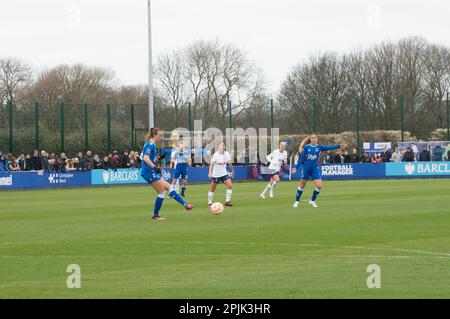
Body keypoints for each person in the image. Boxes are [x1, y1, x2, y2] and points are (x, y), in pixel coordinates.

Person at [140, 128, 193, 221]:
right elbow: (145, 158)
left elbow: (149, 158)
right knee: (162, 192)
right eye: (160, 135)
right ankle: (155, 215)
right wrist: (155, 167)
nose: (162, 137)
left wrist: (158, 159)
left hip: (150, 171)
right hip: (148, 172)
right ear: (154, 135)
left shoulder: (151, 144)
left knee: (170, 187)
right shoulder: (150, 145)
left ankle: (185, 205)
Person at [291, 134, 347, 208]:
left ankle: (312, 201)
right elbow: (301, 159)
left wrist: (338, 146)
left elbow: (328, 147)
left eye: (315, 138)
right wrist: (296, 167)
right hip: (306, 169)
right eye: (312, 138)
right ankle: (296, 201)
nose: (313, 139)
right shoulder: (306, 147)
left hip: (315, 169)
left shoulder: (319, 147)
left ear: (317, 139)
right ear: (310, 139)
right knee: (302, 186)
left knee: (319, 186)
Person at [208, 142, 235, 207]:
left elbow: (229, 162)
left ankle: (227, 201)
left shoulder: (226, 154)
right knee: (212, 189)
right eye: (221, 145)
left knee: (230, 185)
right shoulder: (215, 155)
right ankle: (210, 203)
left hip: (224, 173)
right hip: (216, 174)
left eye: (224, 145)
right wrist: (210, 172)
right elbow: (211, 164)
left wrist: (232, 171)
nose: (223, 146)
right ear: (218, 147)